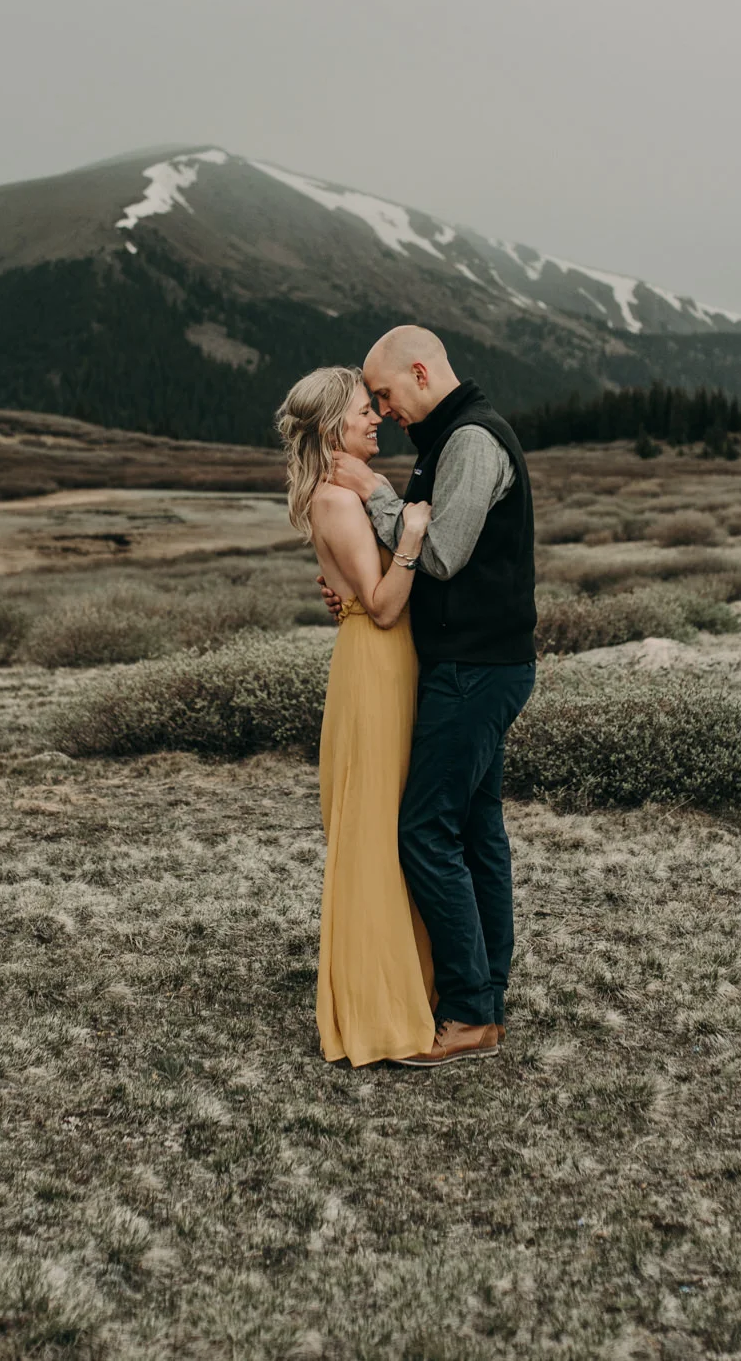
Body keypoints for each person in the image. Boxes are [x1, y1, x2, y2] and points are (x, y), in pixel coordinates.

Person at [324, 325, 538, 1068]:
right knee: (476, 826)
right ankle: (484, 994)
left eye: (385, 392)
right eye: (371, 401)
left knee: (423, 828)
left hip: (477, 667)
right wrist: (353, 587)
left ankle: (472, 1010)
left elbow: (441, 551)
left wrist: (378, 494)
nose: (383, 409)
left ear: (420, 372)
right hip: (466, 663)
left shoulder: (474, 440)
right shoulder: (446, 440)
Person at [275, 365, 440, 1067]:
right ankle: (379, 1012)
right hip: (375, 664)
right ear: (330, 428)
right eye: (362, 410)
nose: (376, 417)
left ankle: (406, 987)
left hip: (382, 662)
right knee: (374, 832)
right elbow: (381, 603)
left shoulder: (337, 494)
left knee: (388, 826)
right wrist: (412, 531)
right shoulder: (339, 501)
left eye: (376, 407)